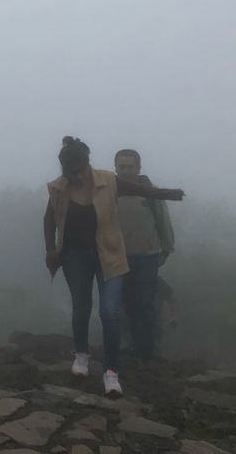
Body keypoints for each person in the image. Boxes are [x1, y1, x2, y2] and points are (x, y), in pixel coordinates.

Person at [43, 136, 185, 398]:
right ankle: (89, 355)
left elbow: (148, 198)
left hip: (119, 254)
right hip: (83, 257)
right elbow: (49, 218)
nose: (76, 174)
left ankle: (121, 366)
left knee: (121, 309)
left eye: (79, 168)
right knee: (92, 307)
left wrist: (169, 196)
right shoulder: (60, 188)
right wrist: (51, 250)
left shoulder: (108, 182)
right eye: (70, 170)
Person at [114, 148, 176, 362]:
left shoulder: (150, 193)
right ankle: (130, 345)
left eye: (129, 166)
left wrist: (167, 248)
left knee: (145, 304)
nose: (125, 170)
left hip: (146, 256)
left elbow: (162, 220)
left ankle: (146, 351)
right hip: (117, 257)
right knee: (125, 303)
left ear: (138, 168)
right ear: (115, 167)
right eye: (121, 166)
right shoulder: (110, 192)